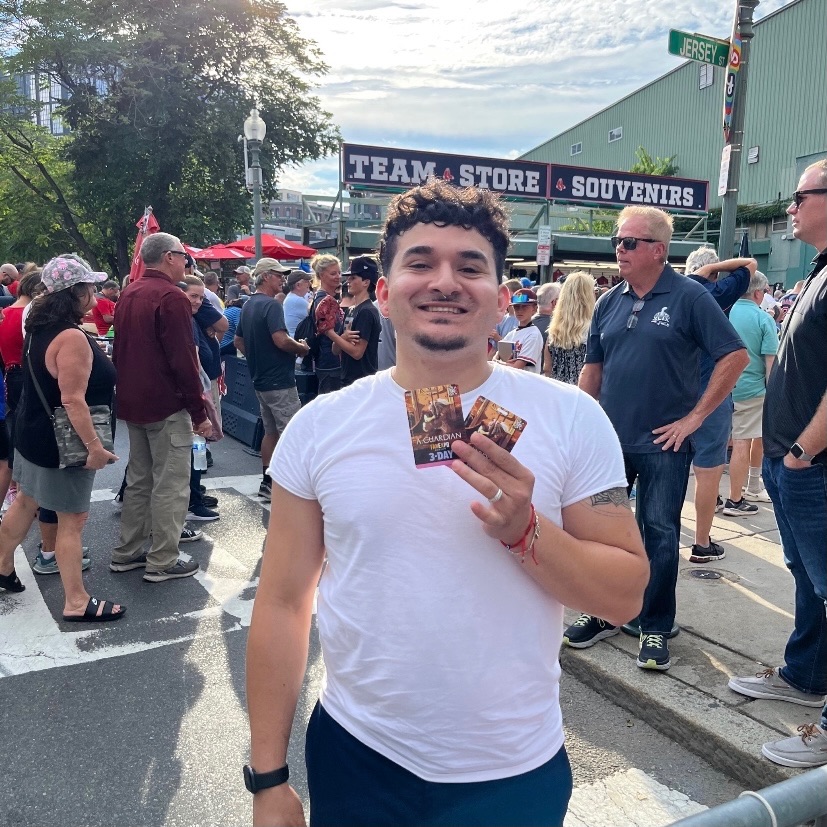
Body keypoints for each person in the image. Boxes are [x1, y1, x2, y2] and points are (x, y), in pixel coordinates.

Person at [245, 179, 648, 827]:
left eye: (469, 267)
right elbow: (284, 601)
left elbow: (624, 595)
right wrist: (267, 777)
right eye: (420, 262)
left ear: (498, 296)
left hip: (512, 770)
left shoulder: (571, 418)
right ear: (382, 290)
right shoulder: (321, 427)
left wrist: (527, 532)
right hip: (358, 753)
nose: (444, 281)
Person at [568, 206, 748, 671]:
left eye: (628, 242)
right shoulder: (609, 301)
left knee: (661, 533)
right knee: (605, 532)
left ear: (658, 250)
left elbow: (734, 357)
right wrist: (579, 425)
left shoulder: (690, 297)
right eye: (617, 242)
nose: (619, 250)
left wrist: (694, 419)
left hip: (665, 446)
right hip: (610, 442)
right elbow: (593, 369)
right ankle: (608, 611)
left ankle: (655, 624)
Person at [728, 161, 827, 769]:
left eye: (798, 197)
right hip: (791, 461)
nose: (789, 208)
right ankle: (806, 673)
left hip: (810, 464)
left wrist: (803, 451)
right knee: (807, 578)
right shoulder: (819, 272)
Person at [0, 255, 123, 620]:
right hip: (62, 442)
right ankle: (76, 601)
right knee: (73, 519)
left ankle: (3, 565)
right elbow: (72, 399)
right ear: (77, 292)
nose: (95, 293)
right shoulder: (69, 336)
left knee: (26, 502)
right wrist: (95, 448)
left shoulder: (38, 326)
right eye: (91, 286)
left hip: (33, 432)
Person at [108, 232, 212, 583]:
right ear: (169, 257)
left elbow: (121, 349)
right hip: (165, 404)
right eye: (184, 256)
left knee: (139, 479)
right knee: (170, 483)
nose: (187, 262)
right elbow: (183, 362)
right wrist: (200, 414)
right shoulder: (171, 297)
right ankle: (163, 559)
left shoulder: (129, 293)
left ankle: (129, 550)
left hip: (134, 401)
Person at [683, 247, 755, 562]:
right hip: (710, 394)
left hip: (674, 396)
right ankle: (701, 543)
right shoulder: (715, 293)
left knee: (663, 471)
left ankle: (659, 538)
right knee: (708, 471)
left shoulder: (671, 293)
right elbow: (750, 264)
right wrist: (716, 266)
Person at [234, 259, 309, 503]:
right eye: (278, 275)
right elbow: (281, 339)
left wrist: (257, 358)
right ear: (266, 276)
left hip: (261, 379)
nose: (282, 280)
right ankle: (291, 486)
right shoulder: (271, 305)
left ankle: (268, 482)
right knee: (291, 432)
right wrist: (301, 348)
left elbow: (238, 342)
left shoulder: (248, 305)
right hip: (280, 380)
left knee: (271, 432)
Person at [723, 271, 778, 516]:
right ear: (758, 292)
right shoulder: (763, 319)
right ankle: (736, 498)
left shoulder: (725, 311)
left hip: (722, 388)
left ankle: (715, 495)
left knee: (721, 442)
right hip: (753, 390)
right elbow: (770, 364)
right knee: (747, 441)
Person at [330, 255, 382, 387]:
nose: (348, 281)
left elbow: (357, 353)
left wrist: (329, 333)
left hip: (362, 382)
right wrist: (342, 337)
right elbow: (335, 350)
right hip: (348, 379)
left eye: (353, 278)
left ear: (366, 282)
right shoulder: (351, 310)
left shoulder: (367, 311)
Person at [543, 271, 594, 384]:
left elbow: (547, 369)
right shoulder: (593, 330)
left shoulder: (553, 331)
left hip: (558, 392)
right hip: (583, 394)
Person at [309, 254, 344, 395]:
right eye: (333, 273)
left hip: (326, 360)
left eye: (339, 273)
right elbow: (329, 332)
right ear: (322, 275)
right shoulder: (323, 300)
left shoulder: (322, 298)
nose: (338, 276)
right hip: (330, 361)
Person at [495, 288, 543, 372]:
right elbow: (495, 357)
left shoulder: (533, 334)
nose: (520, 310)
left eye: (525, 307)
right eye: (516, 307)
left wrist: (498, 363)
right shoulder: (511, 333)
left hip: (526, 383)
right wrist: (499, 362)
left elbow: (517, 368)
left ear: (534, 309)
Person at [282, 270, 311, 338]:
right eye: (306, 281)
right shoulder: (297, 300)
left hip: (294, 338)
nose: (309, 284)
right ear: (298, 285)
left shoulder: (291, 297)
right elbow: (316, 316)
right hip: (298, 340)